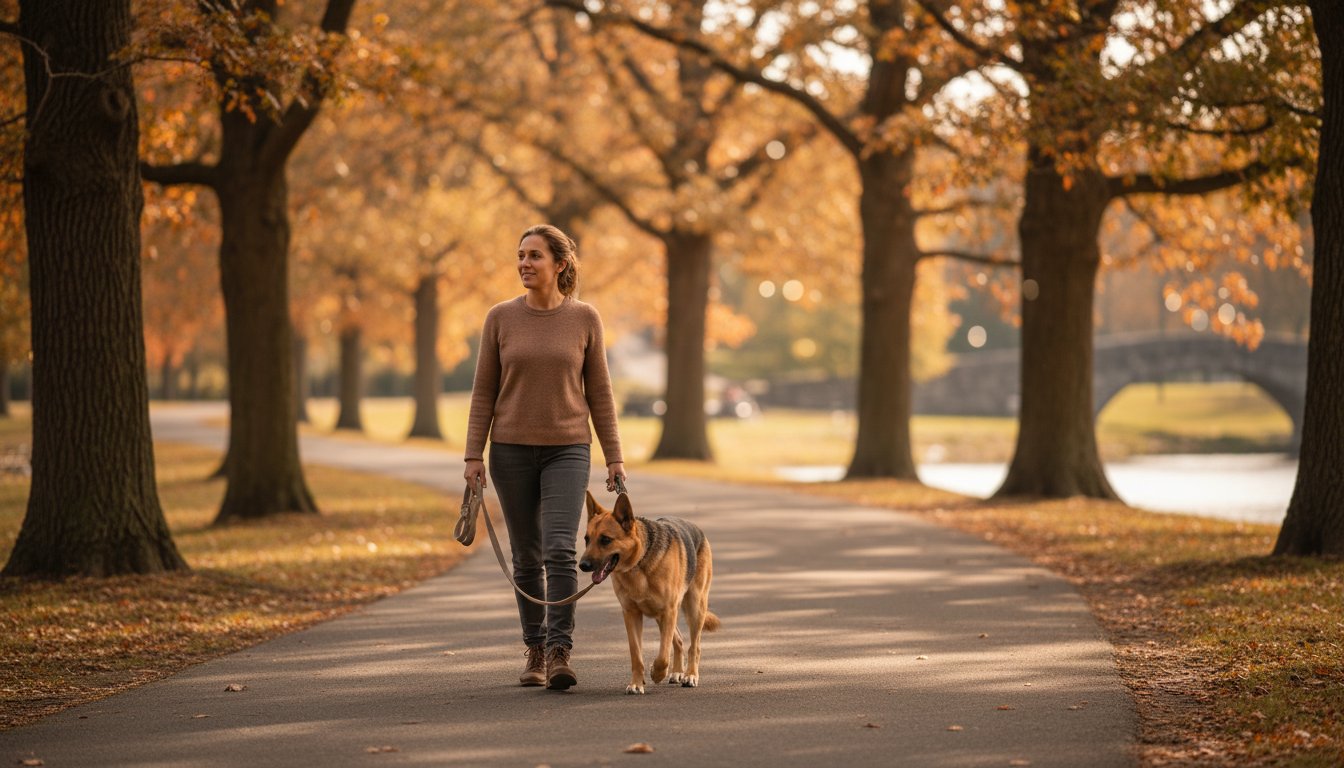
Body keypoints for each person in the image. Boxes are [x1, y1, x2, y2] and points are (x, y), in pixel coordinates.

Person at [463, 223, 626, 691]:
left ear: (560, 264)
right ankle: (534, 648)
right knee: (526, 555)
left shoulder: (585, 318)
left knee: (559, 549)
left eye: (534, 255)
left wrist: (614, 456)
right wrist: (473, 455)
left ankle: (559, 651)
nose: (524, 263)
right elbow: (483, 391)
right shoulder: (500, 318)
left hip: (568, 449)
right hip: (510, 450)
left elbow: (600, 392)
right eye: (520, 255)